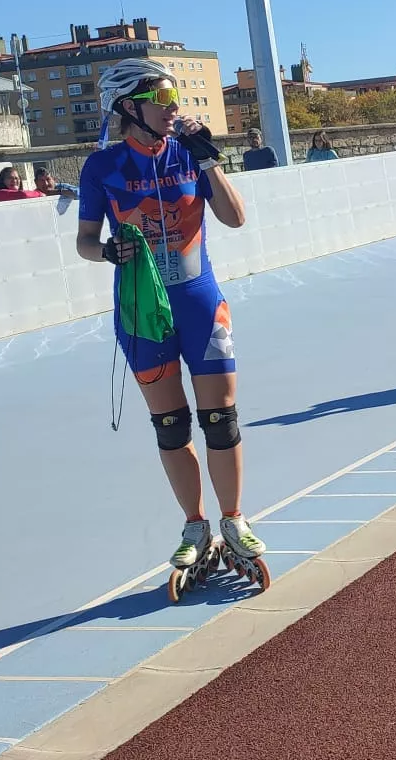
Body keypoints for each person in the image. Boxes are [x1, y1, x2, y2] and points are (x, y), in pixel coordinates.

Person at [77, 60, 269, 587]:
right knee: (171, 425)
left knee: (221, 418)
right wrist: (107, 251)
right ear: (127, 107)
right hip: (143, 311)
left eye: (173, 94)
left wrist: (210, 161)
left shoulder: (189, 152)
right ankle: (194, 526)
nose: (171, 105)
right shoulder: (101, 167)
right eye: (159, 96)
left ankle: (233, 520)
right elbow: (84, 243)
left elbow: (234, 217)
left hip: (200, 303)